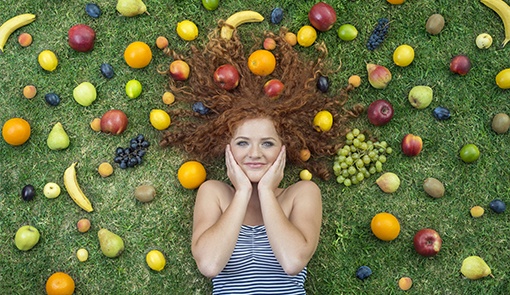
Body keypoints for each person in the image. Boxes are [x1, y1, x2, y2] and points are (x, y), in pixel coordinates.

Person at [159, 23, 362, 293]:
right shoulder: (214, 193)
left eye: (267, 143)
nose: (254, 153)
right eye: (243, 143)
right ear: (227, 147)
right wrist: (242, 191)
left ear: (284, 148)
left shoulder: (302, 193)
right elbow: (209, 265)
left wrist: (266, 190)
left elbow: (292, 262)